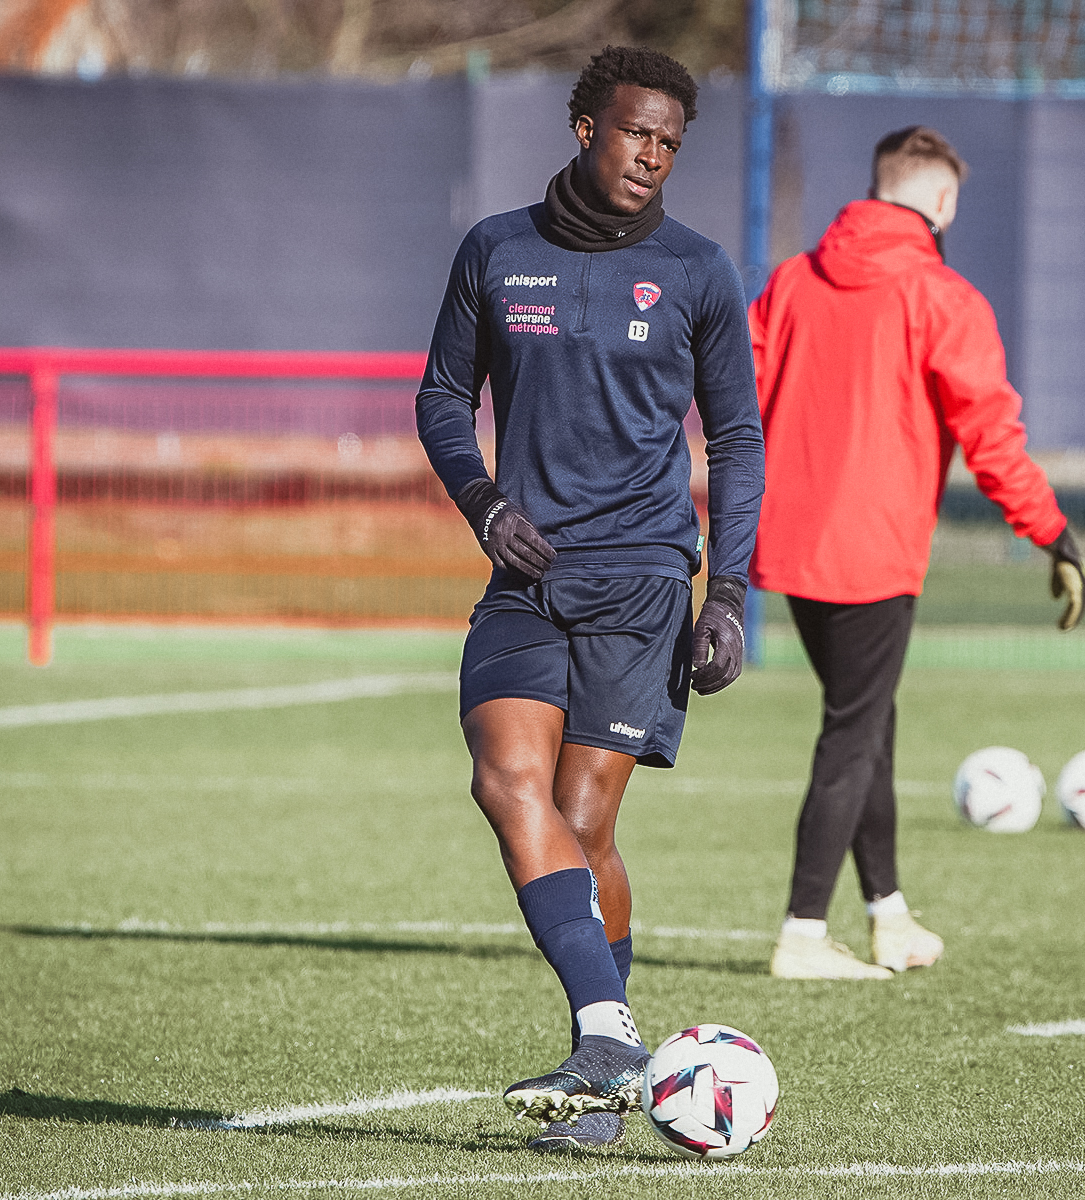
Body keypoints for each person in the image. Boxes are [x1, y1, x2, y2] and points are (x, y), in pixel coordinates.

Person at [414, 46, 764, 1150]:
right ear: (583, 129)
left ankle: (601, 1084)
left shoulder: (699, 272)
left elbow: (739, 438)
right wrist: (481, 504)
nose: (650, 156)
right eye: (633, 134)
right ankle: (609, 1035)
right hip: (524, 580)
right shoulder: (496, 249)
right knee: (502, 781)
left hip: (646, 584)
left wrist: (731, 594)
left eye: (668, 143)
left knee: (581, 822)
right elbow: (436, 398)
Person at [747, 126, 1085, 982]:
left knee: (870, 727)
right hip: (873, 553)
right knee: (853, 734)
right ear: (939, 202)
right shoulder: (944, 297)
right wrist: (1052, 532)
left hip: (788, 545)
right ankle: (800, 932)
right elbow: (992, 437)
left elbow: (731, 397)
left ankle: (888, 916)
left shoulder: (790, 282)